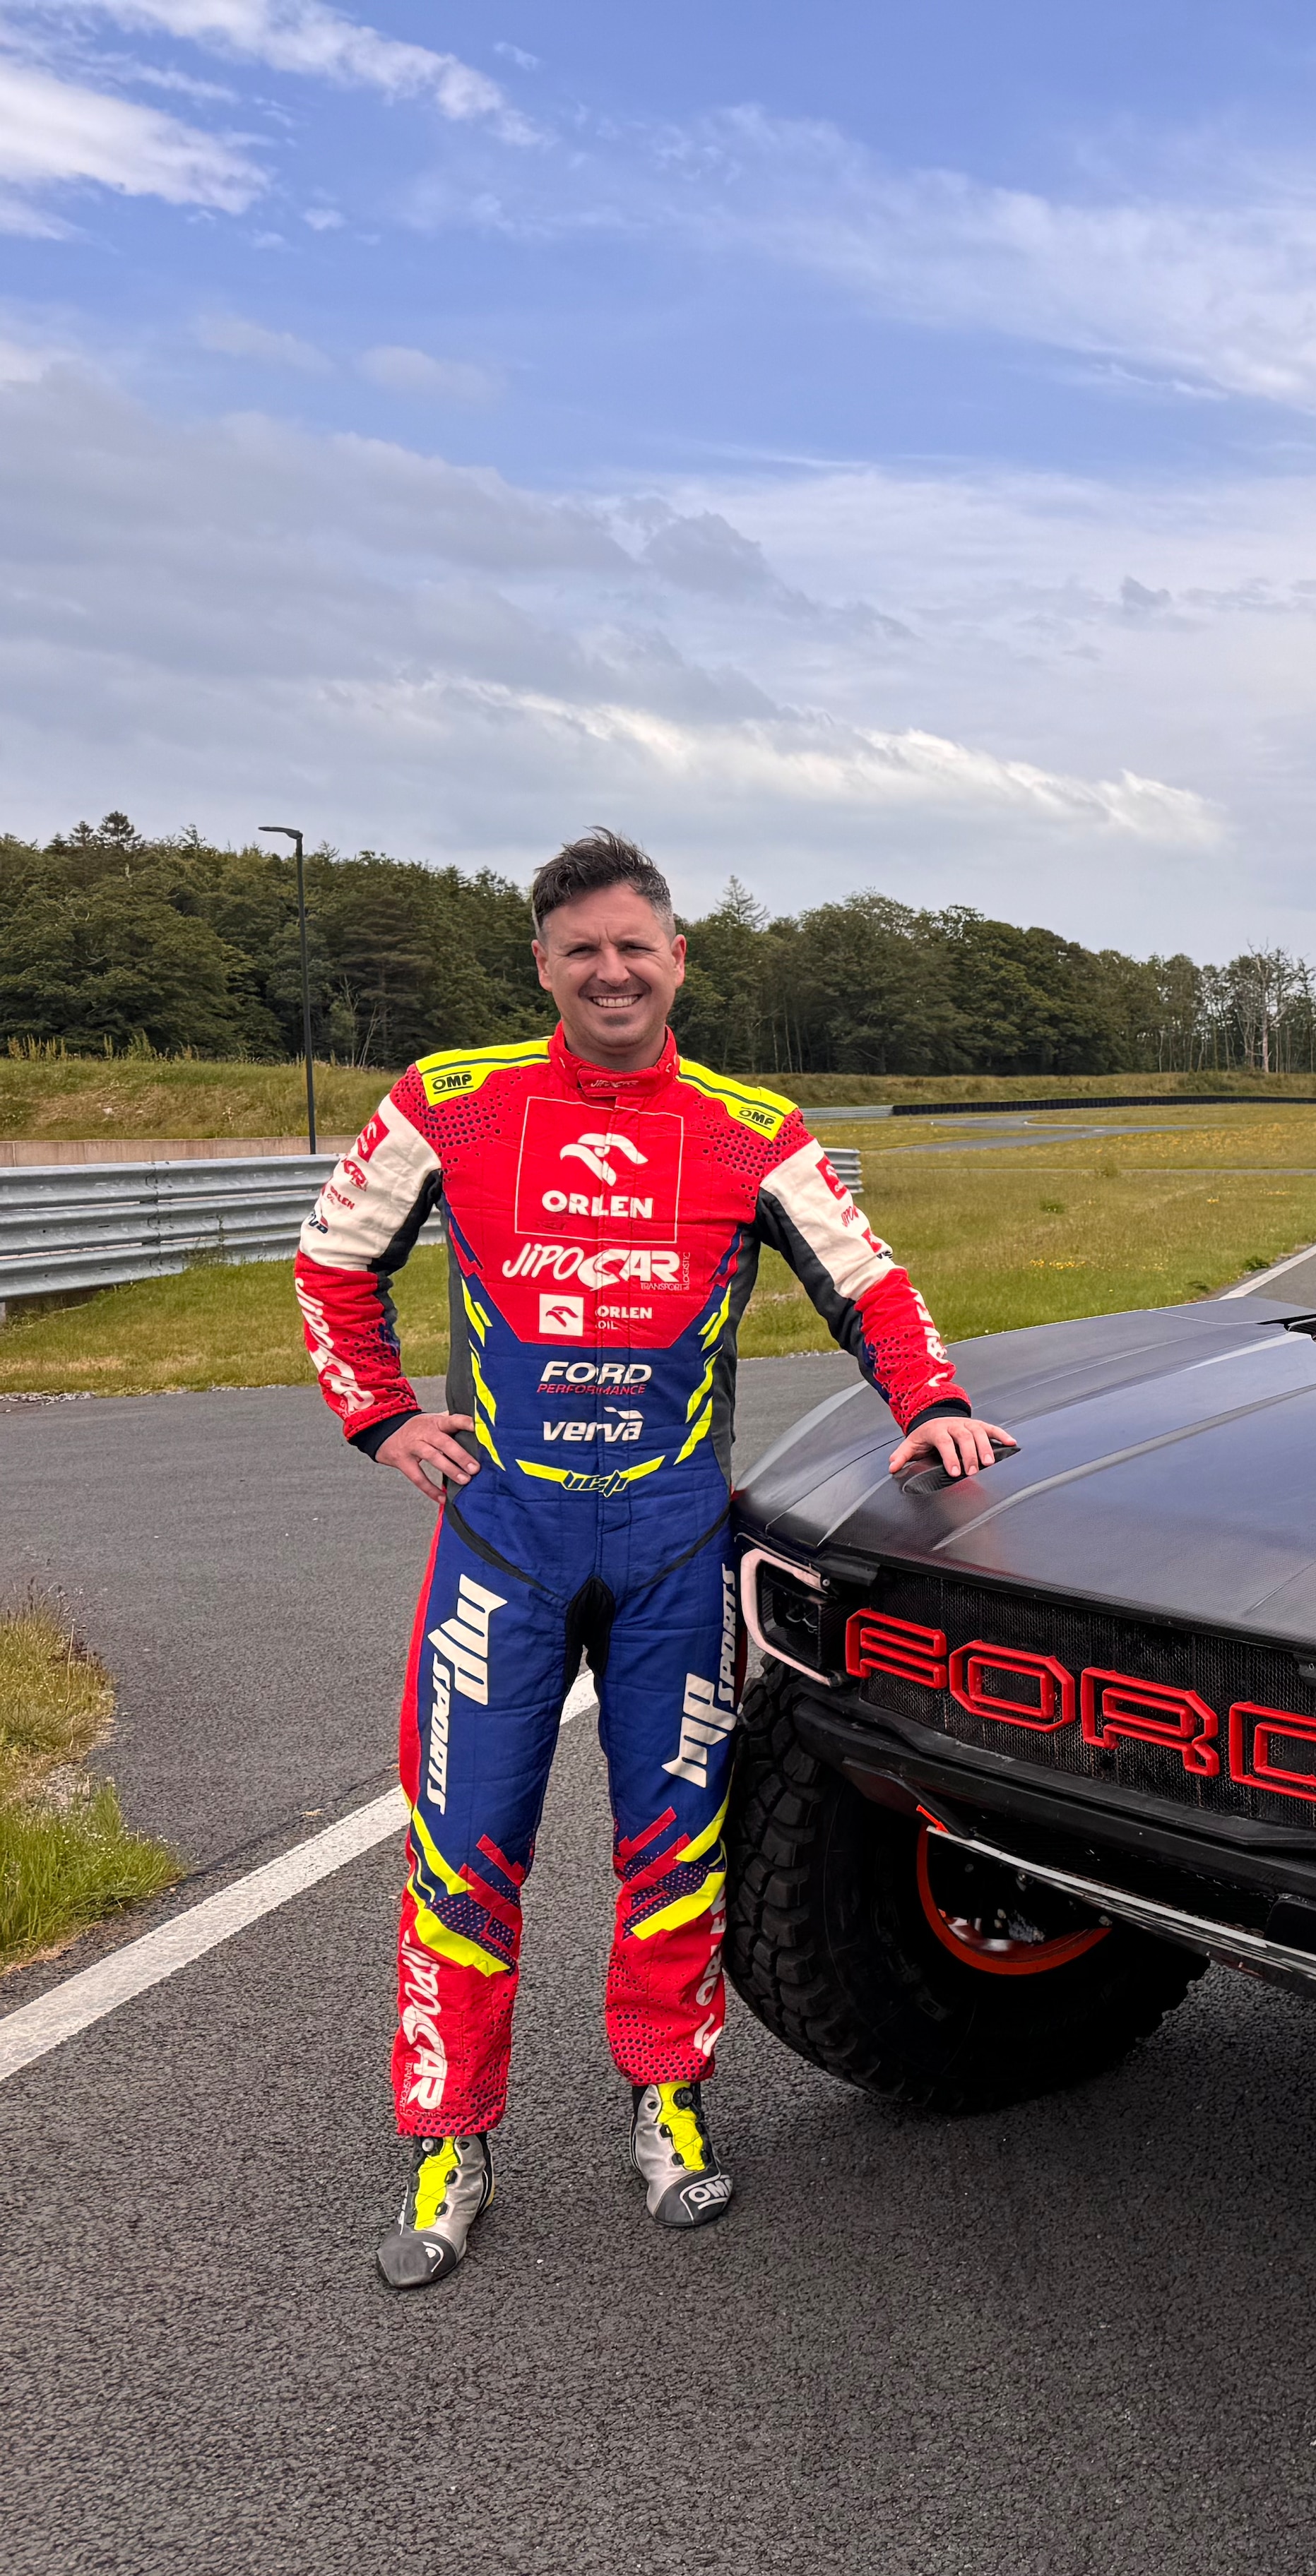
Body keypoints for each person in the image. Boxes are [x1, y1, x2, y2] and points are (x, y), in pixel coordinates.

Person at [296, 829, 1012, 2290]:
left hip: (678, 1549)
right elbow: (330, 1261)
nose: (611, 971)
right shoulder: (450, 1098)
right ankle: (448, 2138)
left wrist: (932, 1405)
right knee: (461, 1850)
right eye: (581, 951)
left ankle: (668, 2104)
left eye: (636, 946)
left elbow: (868, 1283)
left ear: (677, 959)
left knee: (675, 1849)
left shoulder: (753, 1124)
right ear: (545, 968)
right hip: (504, 1543)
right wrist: (378, 1419)